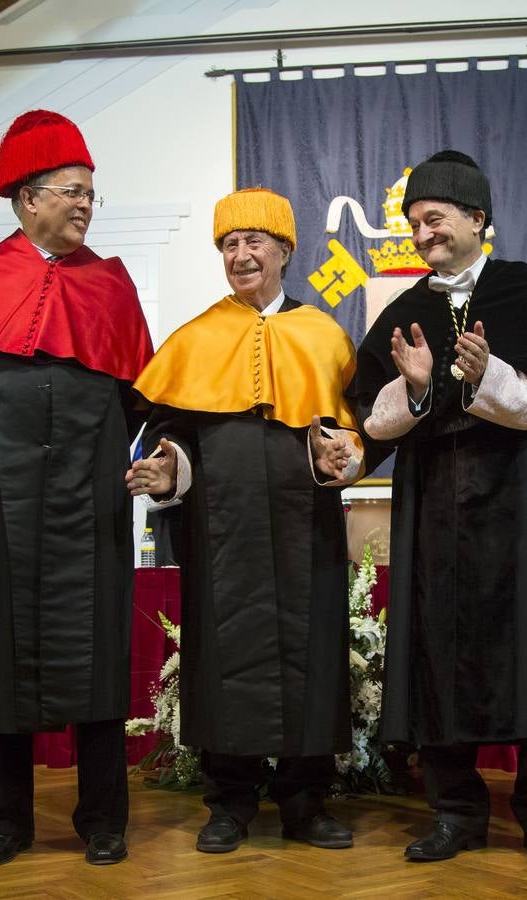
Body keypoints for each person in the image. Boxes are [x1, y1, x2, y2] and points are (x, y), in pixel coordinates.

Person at [353, 150, 527, 865]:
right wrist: (424, 385)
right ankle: (456, 810)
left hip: (519, 497)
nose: (423, 233)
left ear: (478, 220)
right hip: (435, 499)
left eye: (435, 218)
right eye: (414, 224)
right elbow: (373, 420)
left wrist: (486, 373)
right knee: (438, 650)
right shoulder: (404, 315)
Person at [0, 110, 153, 868]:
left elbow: (137, 404)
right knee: (0, 659)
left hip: (92, 511)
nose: (86, 204)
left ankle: (103, 821)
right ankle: (5, 821)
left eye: (93, 194)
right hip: (1, 511)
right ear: (27, 199)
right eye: (72, 191)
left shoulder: (113, 290)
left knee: (98, 659)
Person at [127, 188, 366, 854]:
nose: (241, 254)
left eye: (254, 241)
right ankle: (228, 802)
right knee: (221, 653)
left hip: (304, 527)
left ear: (286, 251)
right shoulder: (197, 338)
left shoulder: (324, 337)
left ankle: (305, 801)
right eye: (230, 244)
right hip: (221, 530)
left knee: (309, 654)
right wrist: (169, 466)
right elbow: (168, 433)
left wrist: (343, 452)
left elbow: (354, 430)